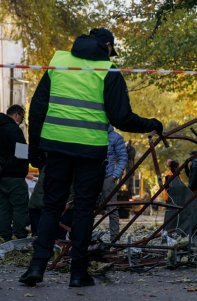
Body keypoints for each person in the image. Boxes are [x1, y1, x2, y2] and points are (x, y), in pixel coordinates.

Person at [20, 28, 163, 288]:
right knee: (84, 210)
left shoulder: (60, 61)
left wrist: (36, 150)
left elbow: (38, 107)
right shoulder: (109, 70)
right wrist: (152, 123)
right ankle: (78, 273)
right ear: (107, 46)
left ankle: (36, 267)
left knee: (52, 207)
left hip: (57, 147)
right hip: (90, 151)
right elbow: (121, 117)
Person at [0, 104, 29, 241]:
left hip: (1, 176)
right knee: (20, 207)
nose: (22, 120)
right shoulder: (14, 129)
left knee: (3, 208)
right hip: (15, 176)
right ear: (17, 115)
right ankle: (20, 237)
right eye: (22, 117)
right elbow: (22, 154)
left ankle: (4, 236)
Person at [102, 125, 128, 241]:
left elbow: (123, 158)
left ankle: (114, 239)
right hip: (91, 176)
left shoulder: (116, 137)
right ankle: (84, 238)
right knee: (85, 207)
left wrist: (115, 175)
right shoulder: (91, 133)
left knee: (112, 208)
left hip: (108, 177)